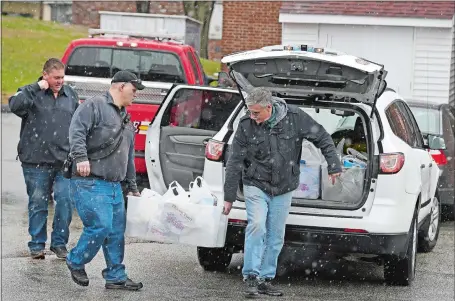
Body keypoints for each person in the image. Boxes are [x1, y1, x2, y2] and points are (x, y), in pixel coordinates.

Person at [222, 87, 342, 298]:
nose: (252, 117)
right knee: (257, 226)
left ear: (269, 107)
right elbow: (234, 162)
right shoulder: (245, 125)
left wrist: (334, 165)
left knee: (276, 236)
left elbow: (322, 137)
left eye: (256, 113)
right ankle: (250, 276)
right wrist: (229, 197)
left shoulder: (295, 118)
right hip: (255, 184)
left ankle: (265, 279)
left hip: (284, 187)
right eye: (250, 112)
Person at [66, 71, 143, 290]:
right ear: (121, 86)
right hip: (89, 181)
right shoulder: (94, 105)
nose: (135, 94)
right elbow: (76, 130)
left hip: (114, 186)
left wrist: (132, 186)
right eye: (134, 89)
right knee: (100, 226)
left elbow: (128, 155)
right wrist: (81, 158)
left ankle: (116, 276)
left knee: (116, 233)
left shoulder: (126, 118)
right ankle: (76, 260)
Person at [8, 58, 79, 260]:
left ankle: (59, 244)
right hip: (35, 161)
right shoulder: (31, 92)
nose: (60, 81)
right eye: (56, 77)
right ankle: (37, 245)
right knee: (38, 203)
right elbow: (14, 105)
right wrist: (35, 87)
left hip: (63, 161)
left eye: (62, 77)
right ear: (45, 75)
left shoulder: (70, 94)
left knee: (65, 201)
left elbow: (78, 124)